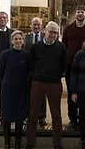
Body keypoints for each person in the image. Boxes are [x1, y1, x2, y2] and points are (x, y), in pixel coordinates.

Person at [26, 21, 67, 149]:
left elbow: (64, 64)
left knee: (56, 115)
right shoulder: (36, 46)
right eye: (51, 32)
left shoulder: (61, 47)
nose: (53, 35)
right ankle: (30, 142)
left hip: (54, 84)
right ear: (45, 31)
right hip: (38, 83)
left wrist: (56, 75)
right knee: (33, 114)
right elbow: (30, 64)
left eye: (56, 33)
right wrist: (37, 75)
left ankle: (57, 143)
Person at [62, 5, 85, 130]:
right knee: (72, 93)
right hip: (71, 66)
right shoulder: (68, 29)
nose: (80, 14)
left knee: (84, 93)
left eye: (82, 12)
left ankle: (83, 117)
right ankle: (72, 119)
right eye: (78, 12)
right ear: (75, 13)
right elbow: (64, 46)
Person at [0, 30, 31, 149]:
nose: (18, 41)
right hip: (8, 89)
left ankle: (17, 142)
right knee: (6, 116)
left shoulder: (27, 55)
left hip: (21, 89)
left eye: (20, 39)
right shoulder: (5, 54)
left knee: (19, 116)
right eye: (15, 39)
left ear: (23, 41)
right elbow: (0, 71)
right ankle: (7, 142)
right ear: (12, 41)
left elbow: (29, 72)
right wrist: (6, 82)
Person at [24, 17, 47, 127]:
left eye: (38, 24)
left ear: (42, 25)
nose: (36, 26)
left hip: (42, 70)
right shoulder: (26, 38)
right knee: (28, 94)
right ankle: (28, 115)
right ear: (31, 26)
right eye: (34, 24)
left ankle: (42, 117)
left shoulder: (45, 37)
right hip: (29, 70)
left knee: (42, 95)